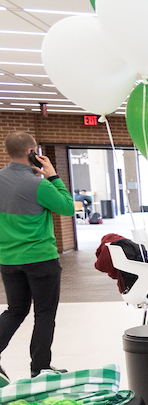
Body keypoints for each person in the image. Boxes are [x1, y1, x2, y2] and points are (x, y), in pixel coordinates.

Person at [0, 133, 74, 380]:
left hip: (8, 259)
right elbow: (67, 207)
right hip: (40, 259)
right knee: (44, 314)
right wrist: (52, 175)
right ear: (32, 151)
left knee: (15, 310)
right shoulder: (39, 184)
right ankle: (39, 368)